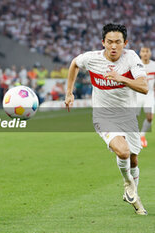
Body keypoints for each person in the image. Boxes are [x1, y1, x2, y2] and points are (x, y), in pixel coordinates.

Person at [64, 24, 148, 215]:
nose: (113, 46)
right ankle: (128, 185)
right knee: (124, 152)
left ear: (125, 43)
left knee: (134, 160)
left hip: (128, 116)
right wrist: (69, 92)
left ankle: (133, 195)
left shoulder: (131, 58)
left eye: (118, 42)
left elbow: (144, 87)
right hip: (104, 116)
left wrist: (121, 78)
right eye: (109, 42)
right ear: (103, 42)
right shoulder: (92, 59)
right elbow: (74, 64)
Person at [136, 47, 155, 147]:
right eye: (143, 51)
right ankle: (132, 137)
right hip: (138, 94)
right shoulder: (136, 65)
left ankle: (142, 135)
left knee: (150, 117)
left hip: (149, 95)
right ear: (140, 53)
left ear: (150, 53)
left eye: (147, 51)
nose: (145, 53)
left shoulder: (154, 65)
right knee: (134, 117)